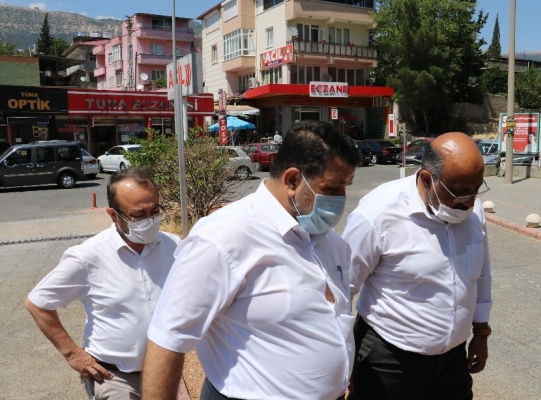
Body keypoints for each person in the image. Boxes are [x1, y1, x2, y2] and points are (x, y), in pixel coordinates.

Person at [142, 120, 361, 400]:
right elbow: (168, 339)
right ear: (293, 180)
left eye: (346, 186)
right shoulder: (223, 238)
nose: (341, 199)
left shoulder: (330, 241)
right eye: (331, 188)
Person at [343, 132, 493, 400]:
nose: (470, 201)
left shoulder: (473, 210)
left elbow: (481, 274)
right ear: (426, 179)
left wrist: (481, 332)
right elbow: (341, 290)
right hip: (388, 360)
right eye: (460, 192)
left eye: (476, 189)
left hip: (452, 363)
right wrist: (342, 358)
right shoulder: (378, 214)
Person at [25, 166, 180, 399]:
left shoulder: (173, 246)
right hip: (115, 378)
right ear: (113, 215)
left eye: (154, 211)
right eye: (138, 215)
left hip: (164, 372)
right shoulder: (87, 256)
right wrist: (72, 354)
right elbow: (37, 303)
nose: (149, 220)